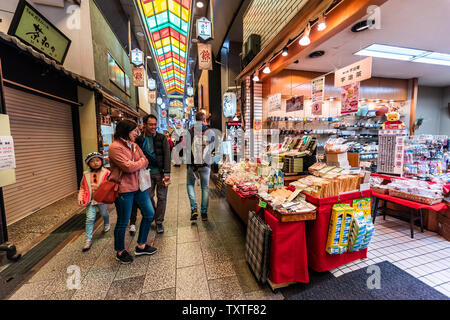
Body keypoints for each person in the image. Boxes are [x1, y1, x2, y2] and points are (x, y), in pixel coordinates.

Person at [109, 119, 157, 264]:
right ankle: (120, 251)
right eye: (134, 130)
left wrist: (138, 163)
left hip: (139, 187)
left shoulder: (134, 145)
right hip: (124, 189)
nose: (137, 133)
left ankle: (141, 245)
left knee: (149, 213)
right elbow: (128, 167)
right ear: (125, 131)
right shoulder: (115, 147)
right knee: (123, 222)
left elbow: (145, 160)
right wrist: (139, 163)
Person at [129, 114, 171, 234]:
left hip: (161, 173)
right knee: (148, 197)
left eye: (155, 124)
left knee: (162, 198)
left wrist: (167, 172)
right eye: (151, 124)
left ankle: (159, 222)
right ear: (145, 125)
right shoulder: (139, 139)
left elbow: (167, 155)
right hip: (144, 174)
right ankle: (154, 215)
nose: (153, 127)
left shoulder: (162, 138)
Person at [78, 152, 110, 252]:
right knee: (90, 218)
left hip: (101, 199)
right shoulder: (86, 174)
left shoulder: (106, 173)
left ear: (101, 161)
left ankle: (107, 223)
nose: (95, 163)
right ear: (88, 164)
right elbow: (82, 187)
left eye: (97, 160)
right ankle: (88, 239)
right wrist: (80, 196)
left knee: (104, 213)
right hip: (89, 200)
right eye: (92, 161)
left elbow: (111, 185)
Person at [187, 111, 214, 221]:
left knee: (190, 184)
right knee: (205, 188)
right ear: (204, 120)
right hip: (205, 165)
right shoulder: (210, 131)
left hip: (192, 165)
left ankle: (194, 208)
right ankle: (204, 212)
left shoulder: (190, 131)